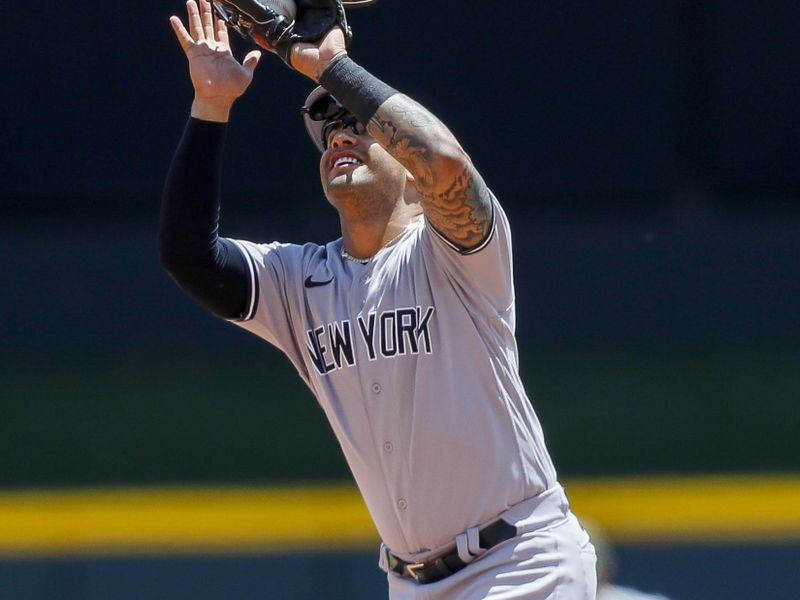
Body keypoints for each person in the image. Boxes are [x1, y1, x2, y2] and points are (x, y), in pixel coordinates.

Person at [160, 1, 597, 598]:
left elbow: (444, 162)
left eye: (359, 125)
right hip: (408, 580)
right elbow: (188, 256)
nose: (339, 133)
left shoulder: (455, 254)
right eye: (327, 130)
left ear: (409, 169)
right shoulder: (299, 282)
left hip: (520, 562)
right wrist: (211, 105)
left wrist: (328, 64)